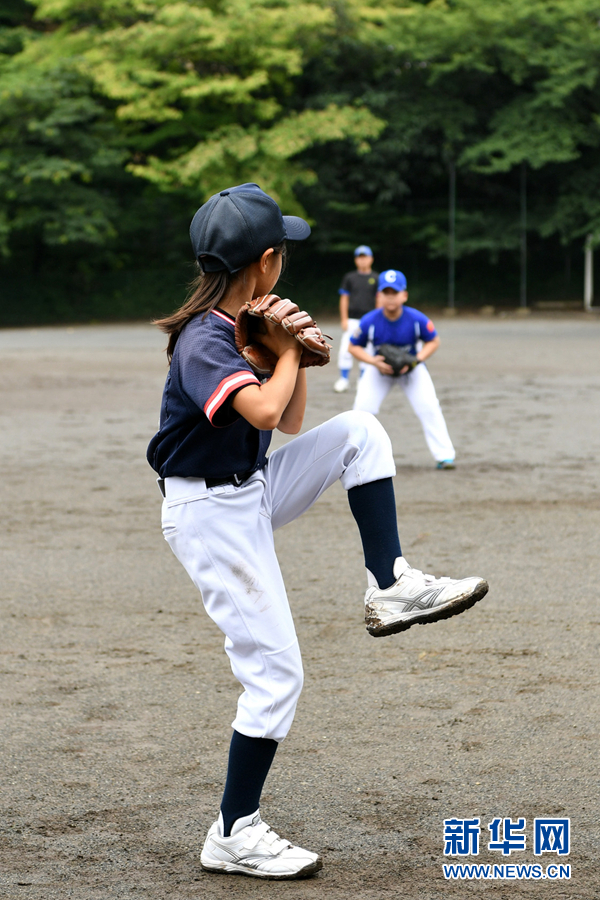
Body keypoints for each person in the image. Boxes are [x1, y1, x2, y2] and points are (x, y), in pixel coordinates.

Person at [146, 185, 488, 880]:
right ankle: (234, 831)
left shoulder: (237, 322)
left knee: (360, 432)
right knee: (276, 676)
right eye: (284, 252)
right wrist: (288, 352)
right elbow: (269, 416)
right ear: (266, 262)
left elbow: (294, 421)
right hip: (209, 515)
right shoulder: (206, 337)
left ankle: (390, 583)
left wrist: (286, 350)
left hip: (247, 492)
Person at [349, 269, 456, 469]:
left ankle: (445, 456)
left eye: (395, 292)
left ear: (404, 295)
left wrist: (416, 360)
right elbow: (352, 346)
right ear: (379, 295)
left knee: (429, 407)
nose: (391, 297)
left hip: (412, 371)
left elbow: (433, 341)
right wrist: (373, 362)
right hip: (379, 371)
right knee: (362, 410)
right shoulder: (370, 320)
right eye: (386, 292)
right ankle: (354, 455)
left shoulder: (416, 319)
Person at [333, 245, 379, 393]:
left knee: (367, 349)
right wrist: (344, 318)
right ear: (355, 260)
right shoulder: (350, 278)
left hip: (369, 320)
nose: (362, 260)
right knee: (347, 349)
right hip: (352, 319)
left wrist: (377, 319)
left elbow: (379, 300)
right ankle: (344, 379)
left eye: (365, 257)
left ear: (371, 259)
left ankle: (363, 380)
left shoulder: (376, 278)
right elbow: (344, 299)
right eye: (359, 257)